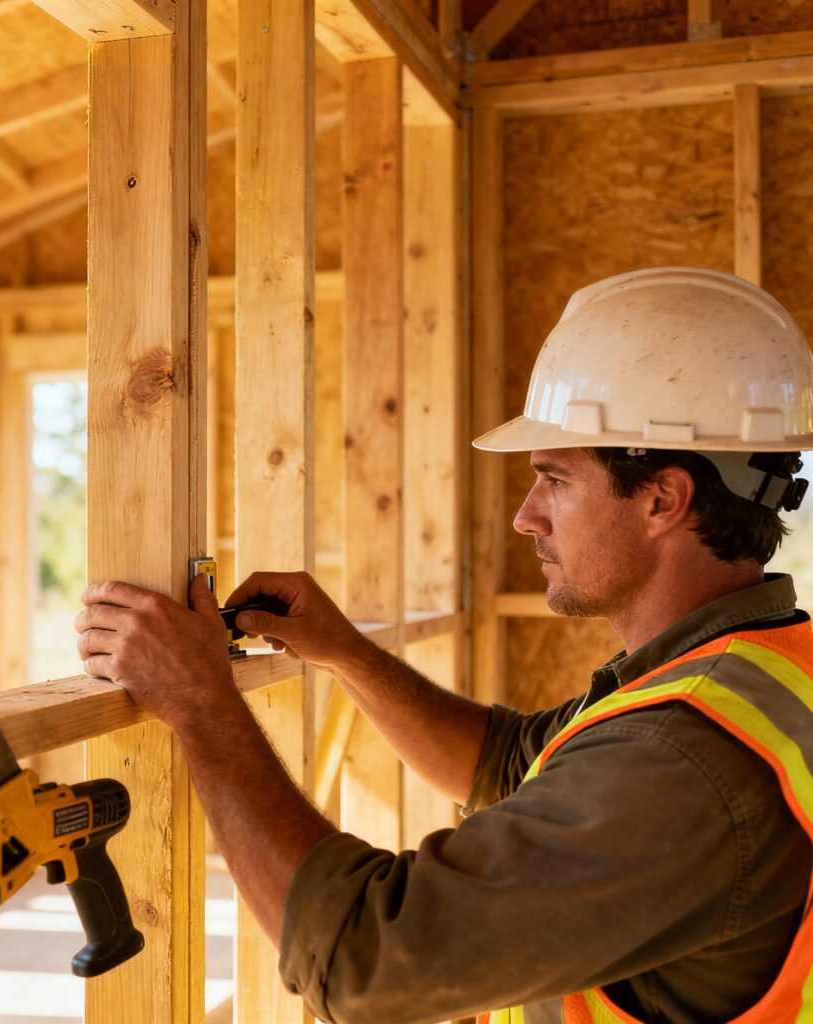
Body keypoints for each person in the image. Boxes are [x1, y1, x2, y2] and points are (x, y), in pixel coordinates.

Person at [75, 267, 813, 1023]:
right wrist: (345, 653)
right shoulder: (761, 671)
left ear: (663, 499)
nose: (527, 517)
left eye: (554, 480)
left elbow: (364, 961)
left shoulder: (681, 757)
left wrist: (201, 702)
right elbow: (509, 763)